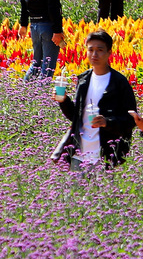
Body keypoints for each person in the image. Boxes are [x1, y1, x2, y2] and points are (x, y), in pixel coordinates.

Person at [54, 29, 137, 169]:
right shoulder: (83, 80)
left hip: (106, 154)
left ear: (109, 52)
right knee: (75, 191)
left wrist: (107, 122)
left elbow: (130, 120)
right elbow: (76, 117)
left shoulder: (119, 83)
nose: (94, 54)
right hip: (79, 153)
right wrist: (63, 101)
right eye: (90, 49)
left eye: (99, 50)